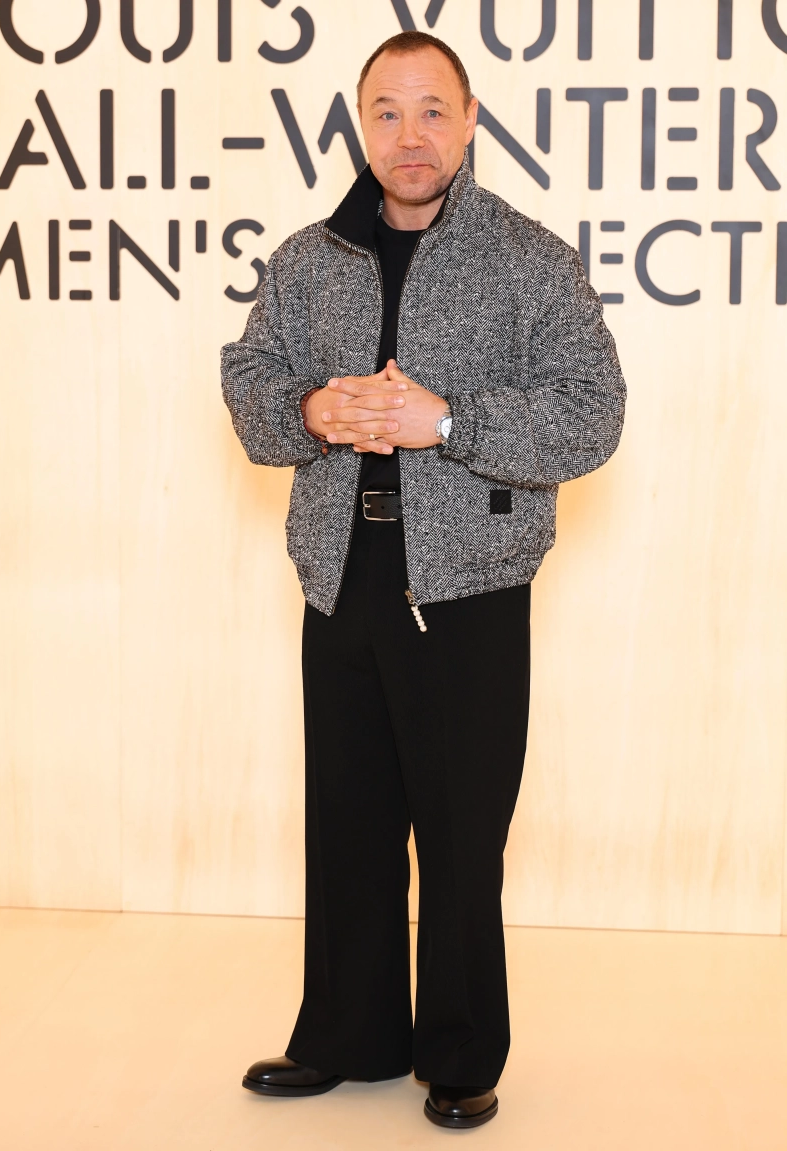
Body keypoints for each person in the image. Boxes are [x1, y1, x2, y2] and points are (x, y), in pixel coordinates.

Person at [221, 30, 625, 1131]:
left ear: (471, 120)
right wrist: (309, 410)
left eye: (433, 110)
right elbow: (249, 374)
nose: (411, 135)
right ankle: (347, 1037)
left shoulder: (530, 259)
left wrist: (445, 421)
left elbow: (593, 414)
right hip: (340, 577)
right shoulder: (308, 259)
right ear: (361, 126)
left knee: (459, 832)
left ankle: (459, 1053)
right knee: (348, 823)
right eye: (388, 112)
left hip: (470, 589)